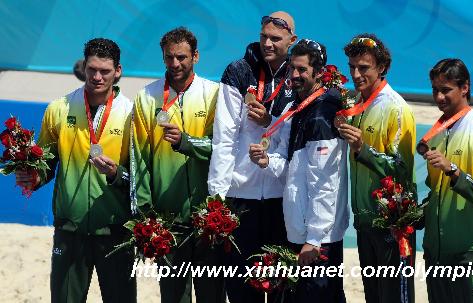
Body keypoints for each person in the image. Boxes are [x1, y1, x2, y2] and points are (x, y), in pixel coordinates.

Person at [15, 38, 136, 302]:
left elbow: (142, 178)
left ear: (118, 71)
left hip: (115, 232)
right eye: (92, 69)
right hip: (70, 230)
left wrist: (117, 174)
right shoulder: (59, 109)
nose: (97, 77)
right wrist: (33, 178)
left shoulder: (132, 115)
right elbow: (45, 162)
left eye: (105, 71)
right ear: (84, 68)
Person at [207, 11, 297, 303]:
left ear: (291, 40)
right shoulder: (238, 71)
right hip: (241, 195)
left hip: (280, 197)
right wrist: (218, 199)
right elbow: (224, 138)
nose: (268, 43)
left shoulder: (298, 76)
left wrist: (269, 119)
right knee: (241, 286)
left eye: (276, 38)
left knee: (281, 284)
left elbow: (295, 134)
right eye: (263, 37)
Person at [249, 39, 348, 302]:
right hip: (299, 230)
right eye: (293, 68)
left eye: (302, 70)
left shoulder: (324, 113)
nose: (294, 75)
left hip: (318, 238)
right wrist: (267, 161)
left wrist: (314, 239)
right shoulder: (297, 108)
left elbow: (326, 183)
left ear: (319, 72)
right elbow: (290, 165)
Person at [131, 27, 222, 303]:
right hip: (167, 222)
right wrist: (147, 216)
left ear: (195, 56)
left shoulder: (214, 94)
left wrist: (186, 142)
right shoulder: (147, 97)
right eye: (169, 57)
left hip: (209, 220)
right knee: (173, 298)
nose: (175, 64)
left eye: (181, 57)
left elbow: (222, 150)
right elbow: (139, 160)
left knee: (212, 296)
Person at [337, 33, 416, 303]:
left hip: (391, 227)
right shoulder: (356, 105)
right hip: (365, 222)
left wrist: (363, 149)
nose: (356, 74)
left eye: (364, 68)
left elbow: (403, 171)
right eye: (352, 67)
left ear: (381, 67)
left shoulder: (395, 109)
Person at [421, 58, 473, 303]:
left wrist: (454, 171)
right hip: (438, 254)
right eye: (435, 90)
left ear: (465, 88)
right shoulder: (436, 135)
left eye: (446, 90)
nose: (438, 97)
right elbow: (436, 194)